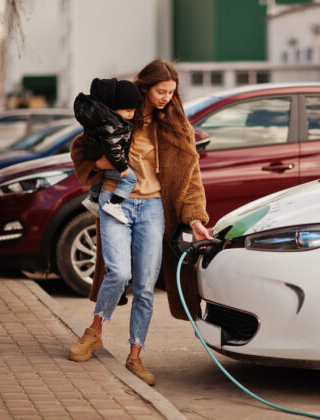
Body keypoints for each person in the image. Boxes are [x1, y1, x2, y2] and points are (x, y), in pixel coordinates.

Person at [68, 59, 211, 386]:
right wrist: (98, 164)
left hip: (153, 208)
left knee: (146, 286)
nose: (166, 97)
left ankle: (135, 355)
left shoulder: (175, 127)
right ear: (145, 88)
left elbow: (191, 178)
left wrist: (196, 218)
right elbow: (81, 147)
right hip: (114, 201)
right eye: (161, 91)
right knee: (117, 272)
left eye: (171, 93)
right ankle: (94, 332)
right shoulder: (119, 113)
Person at [75, 78, 143, 223]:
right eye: (128, 110)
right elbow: (113, 147)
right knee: (130, 179)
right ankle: (114, 203)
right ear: (115, 107)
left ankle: (92, 198)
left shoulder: (103, 119)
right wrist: (122, 166)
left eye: (134, 111)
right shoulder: (113, 125)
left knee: (101, 176)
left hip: (95, 154)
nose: (132, 115)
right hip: (107, 160)